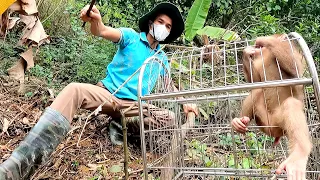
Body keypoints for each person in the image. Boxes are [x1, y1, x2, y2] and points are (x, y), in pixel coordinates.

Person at [0, 2, 198, 179]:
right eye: (160, 22)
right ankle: (20, 162)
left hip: (135, 106)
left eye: (168, 26)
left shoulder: (161, 58)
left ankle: (123, 126)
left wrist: (185, 102)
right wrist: (95, 19)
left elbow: (169, 85)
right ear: (150, 23)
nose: (163, 27)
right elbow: (102, 31)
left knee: (169, 118)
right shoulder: (130, 37)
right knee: (74, 90)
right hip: (109, 95)